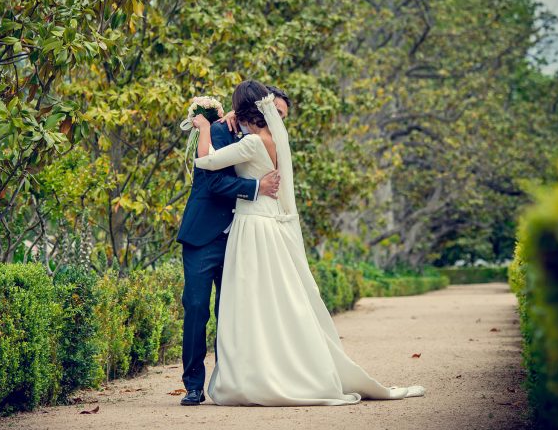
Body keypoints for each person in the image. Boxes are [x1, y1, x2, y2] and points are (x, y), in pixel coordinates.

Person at [191, 80, 425, 406]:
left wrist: (203, 126)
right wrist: (232, 116)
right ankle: (279, 367)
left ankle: (256, 374)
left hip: (252, 226)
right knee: (272, 301)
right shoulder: (272, 140)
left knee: (248, 300)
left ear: (243, 110)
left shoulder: (253, 144)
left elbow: (206, 161)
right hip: (269, 223)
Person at [175, 88, 289, 406]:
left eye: (280, 115)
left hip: (241, 237)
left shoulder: (262, 138)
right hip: (204, 236)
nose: (277, 119)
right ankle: (193, 385)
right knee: (196, 309)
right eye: (275, 113)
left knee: (233, 312)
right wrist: (255, 187)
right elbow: (210, 180)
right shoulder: (219, 130)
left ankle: (228, 380)